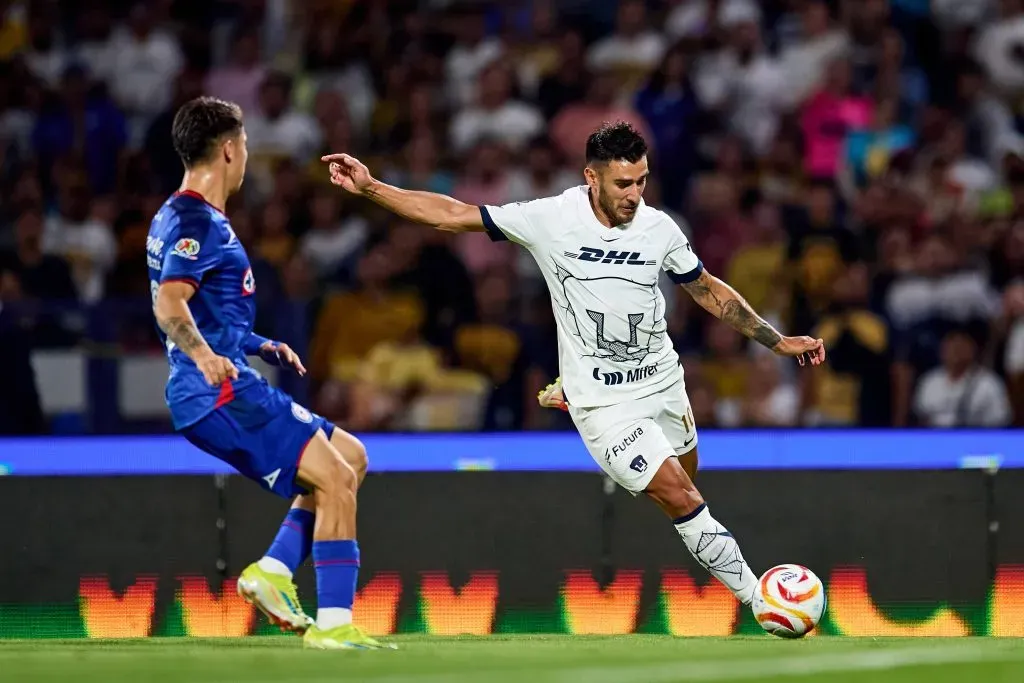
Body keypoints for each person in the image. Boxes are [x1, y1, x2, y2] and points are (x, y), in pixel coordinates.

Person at [322, 121, 826, 610]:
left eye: (642, 181)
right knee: (678, 493)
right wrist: (371, 189)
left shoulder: (659, 228)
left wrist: (775, 340)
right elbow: (451, 214)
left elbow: (706, 288)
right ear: (592, 177)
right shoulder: (551, 219)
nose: (634, 194)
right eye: (623, 183)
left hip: (663, 384)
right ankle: (758, 598)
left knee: (689, 480)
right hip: (604, 404)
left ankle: (576, 384)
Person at [147, 97, 389, 650]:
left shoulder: (173, 215)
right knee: (334, 479)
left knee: (350, 456)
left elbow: (201, 306)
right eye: (247, 146)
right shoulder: (195, 221)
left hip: (220, 382)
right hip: (218, 393)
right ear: (230, 149)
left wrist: (257, 343)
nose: (247, 156)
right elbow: (170, 304)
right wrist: (208, 356)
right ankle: (334, 627)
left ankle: (274, 571)